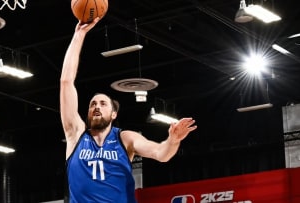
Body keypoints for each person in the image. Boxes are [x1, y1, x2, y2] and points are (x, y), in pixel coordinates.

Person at [60, 17, 197, 203]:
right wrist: (79, 34)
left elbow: (160, 154)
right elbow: (66, 82)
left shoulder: (125, 139)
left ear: (113, 114)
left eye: (102, 103)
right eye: (93, 104)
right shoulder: (76, 135)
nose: (96, 107)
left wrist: (173, 141)